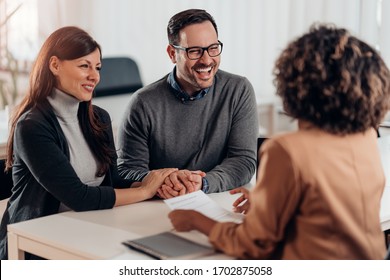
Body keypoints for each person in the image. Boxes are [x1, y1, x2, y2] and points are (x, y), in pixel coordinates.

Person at [169, 24, 390, 259]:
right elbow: (332, 211)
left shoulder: (287, 150)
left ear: (295, 83)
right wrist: (272, 204)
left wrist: (197, 220)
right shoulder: (365, 136)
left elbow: (253, 243)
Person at [0, 26, 177, 259]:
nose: (95, 76)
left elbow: (113, 180)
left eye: (98, 67)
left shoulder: (99, 119)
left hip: (87, 227)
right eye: (84, 66)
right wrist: (145, 190)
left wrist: (159, 183)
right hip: (35, 243)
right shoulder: (32, 127)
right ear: (54, 65)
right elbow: (78, 197)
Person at [117, 9, 259, 198]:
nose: (207, 60)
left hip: (222, 199)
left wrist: (202, 183)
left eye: (213, 48)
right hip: (161, 206)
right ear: (172, 54)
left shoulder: (238, 90)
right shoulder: (143, 103)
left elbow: (243, 161)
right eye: (194, 51)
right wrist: (167, 180)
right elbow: (127, 171)